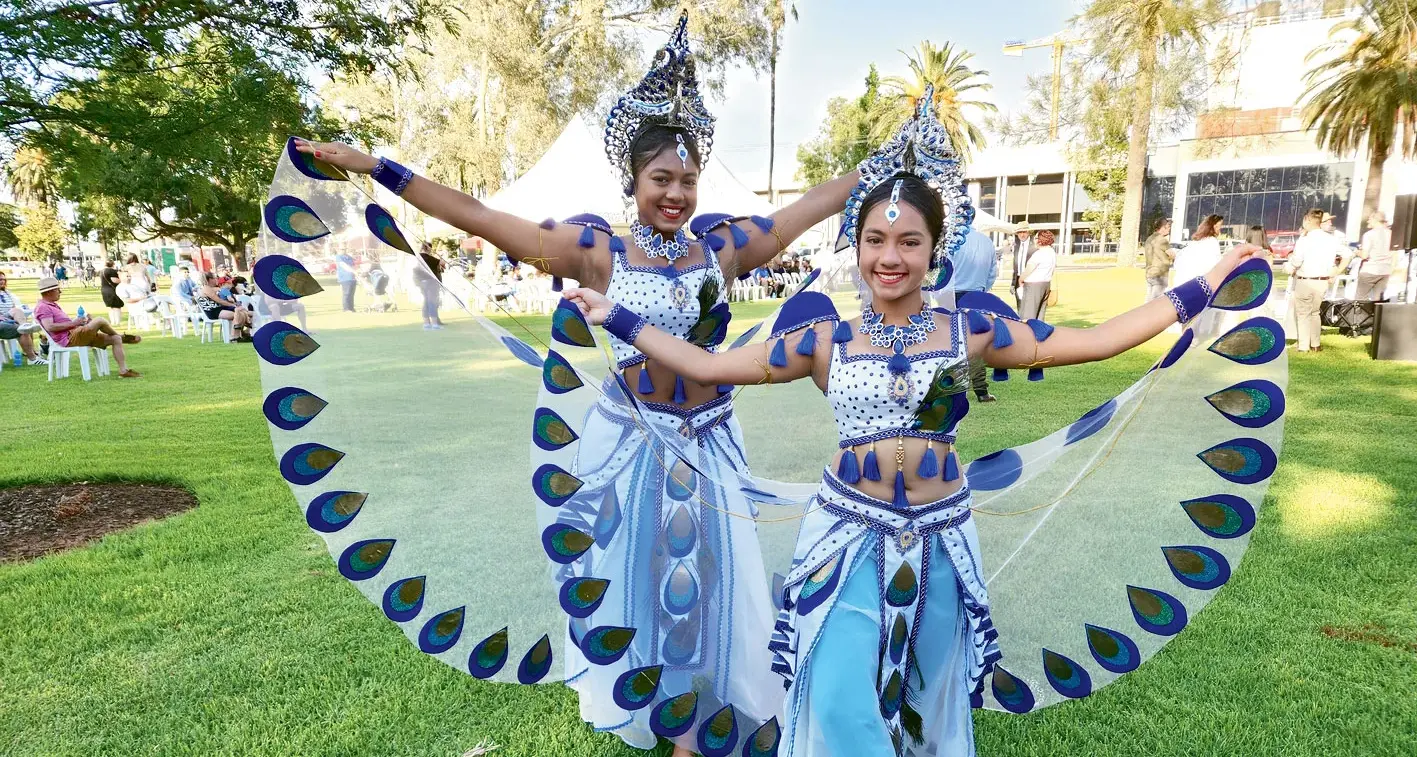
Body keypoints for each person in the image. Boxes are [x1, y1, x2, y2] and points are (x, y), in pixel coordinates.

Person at [563, 100, 1265, 756]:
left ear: (935, 248)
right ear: (856, 247)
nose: (889, 257)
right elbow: (705, 363)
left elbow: (1100, 340)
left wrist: (1204, 287)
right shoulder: (823, 340)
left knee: (925, 706)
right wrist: (616, 316)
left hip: (941, 539)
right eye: (874, 240)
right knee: (838, 698)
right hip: (846, 537)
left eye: (908, 241)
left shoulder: (972, 332)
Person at [286, 15, 860, 755]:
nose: (676, 194)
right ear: (633, 180)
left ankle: (697, 723)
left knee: (718, 574)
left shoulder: (723, 249)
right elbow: (481, 217)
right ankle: (666, 706)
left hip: (711, 441)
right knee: (636, 575)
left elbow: (807, 207)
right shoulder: (596, 253)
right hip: (632, 443)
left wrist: (877, 169)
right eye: (661, 180)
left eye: (687, 181)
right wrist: (377, 166)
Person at [33, 277, 141, 377]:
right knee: (99, 320)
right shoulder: (43, 307)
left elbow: (64, 324)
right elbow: (50, 327)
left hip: (75, 334)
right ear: (49, 292)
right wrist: (74, 323)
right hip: (68, 339)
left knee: (115, 339)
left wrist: (82, 322)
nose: (60, 292)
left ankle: (123, 371)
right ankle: (121, 336)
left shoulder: (52, 304)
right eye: (58, 290)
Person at [951, 227, 1000, 402]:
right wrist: (983, 289)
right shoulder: (986, 241)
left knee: (953, 342)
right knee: (975, 343)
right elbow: (993, 272)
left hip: (953, 294)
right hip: (977, 294)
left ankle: (954, 386)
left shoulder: (952, 240)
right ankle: (981, 390)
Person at [1286, 208, 1333, 353]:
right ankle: (1315, 344)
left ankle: (1303, 346)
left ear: (1308, 220)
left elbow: (1297, 260)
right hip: (1321, 281)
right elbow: (1347, 254)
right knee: (1315, 313)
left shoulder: (1304, 240)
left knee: (1303, 314)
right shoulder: (1330, 239)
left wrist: (1290, 264)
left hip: (1305, 280)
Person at [0, 271, 47, 365]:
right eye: (0, 279)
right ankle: (32, 359)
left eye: (4, 279)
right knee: (22, 331)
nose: (2, 281)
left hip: (8, 319)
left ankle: (24, 327)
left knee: (18, 313)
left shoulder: (7, 293)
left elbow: (13, 308)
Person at [196, 270, 253, 341]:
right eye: (215, 278)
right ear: (210, 279)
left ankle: (240, 335)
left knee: (241, 313)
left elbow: (225, 296)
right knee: (239, 314)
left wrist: (235, 304)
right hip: (213, 311)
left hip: (219, 309)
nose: (217, 279)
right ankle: (234, 336)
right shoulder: (206, 288)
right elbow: (220, 301)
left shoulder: (212, 288)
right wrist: (234, 305)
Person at [1018, 229, 1056, 321]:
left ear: (1040, 240)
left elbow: (1029, 270)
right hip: (1046, 284)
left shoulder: (1039, 254)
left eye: (1036, 238)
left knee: (1027, 317)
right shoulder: (1052, 252)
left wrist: (1021, 279)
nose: (1034, 240)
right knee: (1040, 315)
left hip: (1033, 285)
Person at [1355, 211, 1394, 301]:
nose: (1368, 221)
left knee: (1361, 299)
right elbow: (1394, 253)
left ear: (1375, 220)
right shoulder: (1392, 234)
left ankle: (1363, 311)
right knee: (1378, 300)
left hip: (1370, 269)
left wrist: (1356, 251)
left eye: (1369, 219)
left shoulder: (1369, 235)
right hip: (1385, 270)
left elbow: (1364, 255)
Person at [1143, 219, 1175, 302]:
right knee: (1156, 301)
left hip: (1150, 273)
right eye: (1168, 227)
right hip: (1160, 274)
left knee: (1148, 300)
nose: (1169, 230)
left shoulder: (1149, 239)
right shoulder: (1162, 240)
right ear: (1163, 227)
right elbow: (1172, 254)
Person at [415, 244, 446, 330]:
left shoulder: (418, 257)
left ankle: (427, 324)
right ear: (428, 248)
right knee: (432, 302)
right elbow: (442, 263)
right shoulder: (427, 257)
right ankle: (435, 324)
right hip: (431, 282)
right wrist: (441, 256)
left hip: (422, 282)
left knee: (426, 302)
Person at [1009, 224, 1034, 311]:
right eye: (1020, 232)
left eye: (1024, 232)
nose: (1022, 235)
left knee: (1030, 307)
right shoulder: (1016, 246)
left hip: (1031, 279)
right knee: (1020, 306)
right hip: (1018, 280)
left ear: (1029, 233)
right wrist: (1013, 283)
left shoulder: (1034, 245)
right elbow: (1015, 266)